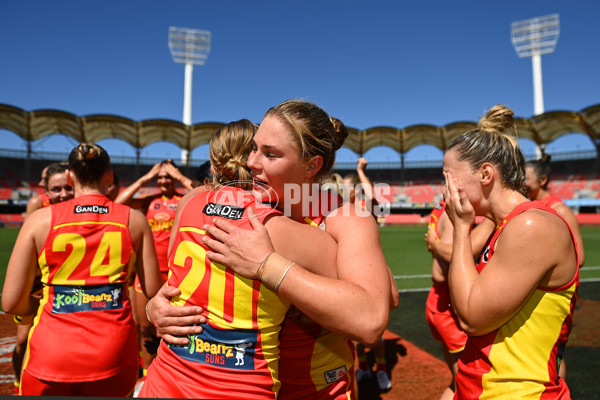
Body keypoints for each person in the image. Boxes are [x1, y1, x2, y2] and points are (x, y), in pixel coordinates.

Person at [148, 99, 397, 400]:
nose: (252, 162)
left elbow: (373, 317)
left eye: (271, 154)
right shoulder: (239, 200)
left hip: (314, 388)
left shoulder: (344, 217)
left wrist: (268, 266)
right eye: (254, 148)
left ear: (311, 166)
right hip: (246, 386)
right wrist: (157, 308)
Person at [2, 143, 163, 396]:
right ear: (108, 176)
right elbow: (152, 290)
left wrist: (43, 304)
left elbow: (11, 302)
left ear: (70, 176)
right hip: (114, 351)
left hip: (51, 351)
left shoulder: (39, 220)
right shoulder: (134, 219)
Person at [442, 105, 579, 398]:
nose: (445, 189)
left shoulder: (530, 226)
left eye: (449, 177)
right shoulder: (507, 224)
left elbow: (471, 318)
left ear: (485, 174)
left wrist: (462, 230)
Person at [115, 159, 193, 376]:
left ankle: (175, 370)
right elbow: (119, 204)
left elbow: (205, 196)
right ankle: (149, 371)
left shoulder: (185, 200)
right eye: (159, 177)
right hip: (148, 272)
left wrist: (179, 176)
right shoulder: (149, 201)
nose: (163, 181)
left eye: (167, 177)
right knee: (146, 327)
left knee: (176, 327)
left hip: (176, 273)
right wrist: (144, 178)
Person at [12, 161, 75, 394]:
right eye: (56, 189)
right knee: (23, 339)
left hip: (64, 282)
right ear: (46, 190)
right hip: (37, 280)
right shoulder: (37, 204)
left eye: (68, 188)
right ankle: (19, 384)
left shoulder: (80, 207)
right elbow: (29, 248)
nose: (63, 194)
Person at [424, 200, 494, 400]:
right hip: (450, 304)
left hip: (441, 301)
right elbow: (448, 263)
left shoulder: (442, 209)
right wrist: (438, 246)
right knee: (466, 384)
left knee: (458, 383)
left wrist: (435, 245)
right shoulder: (457, 213)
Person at [341, 157, 391, 392]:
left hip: (371, 274)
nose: (352, 190)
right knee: (354, 330)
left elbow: (371, 196)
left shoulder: (363, 212)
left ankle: (380, 369)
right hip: (347, 276)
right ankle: (362, 367)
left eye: (353, 187)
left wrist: (361, 171)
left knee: (377, 333)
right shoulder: (335, 212)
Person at [525, 153, 585, 267]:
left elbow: (579, 258)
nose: (521, 183)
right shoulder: (526, 206)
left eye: (526, 178)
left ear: (542, 180)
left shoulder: (560, 210)